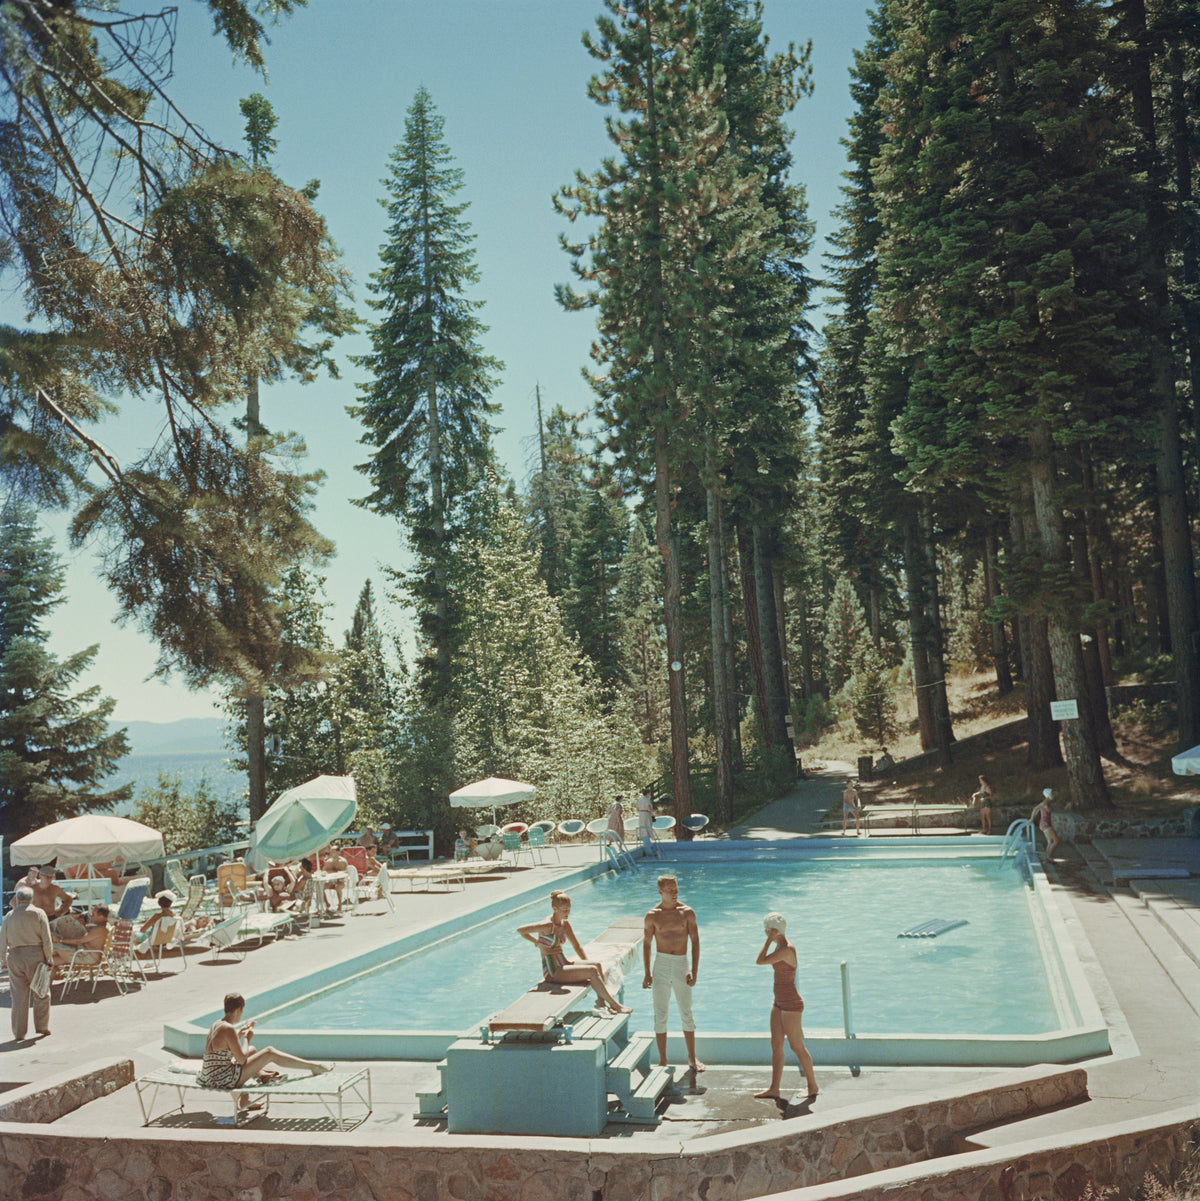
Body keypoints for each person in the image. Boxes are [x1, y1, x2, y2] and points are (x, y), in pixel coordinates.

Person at [195, 992, 331, 1112]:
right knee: (269, 1052)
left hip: (210, 1074)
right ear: (238, 1009)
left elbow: (224, 1049)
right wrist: (247, 1039)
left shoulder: (218, 1024)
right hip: (222, 1078)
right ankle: (314, 1067)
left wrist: (241, 1033)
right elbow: (241, 1059)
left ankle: (249, 1094)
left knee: (252, 1050)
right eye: (242, 1011)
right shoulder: (228, 1029)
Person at [517, 890, 632, 1015]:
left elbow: (577, 946)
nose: (567, 913)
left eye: (569, 909)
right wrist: (537, 943)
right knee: (592, 971)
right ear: (555, 908)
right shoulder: (546, 925)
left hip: (564, 964)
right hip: (553, 971)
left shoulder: (564, 924)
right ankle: (615, 1005)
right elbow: (521, 930)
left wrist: (585, 963)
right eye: (564, 910)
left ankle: (601, 1004)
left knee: (596, 966)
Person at [753, 912, 818, 1102]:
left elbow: (760, 961)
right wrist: (772, 939)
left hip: (791, 1004)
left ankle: (813, 1086)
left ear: (771, 931)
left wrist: (767, 941)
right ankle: (774, 1088)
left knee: (796, 1046)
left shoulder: (786, 949)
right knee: (776, 1045)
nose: (765, 933)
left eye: (766, 930)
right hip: (779, 1002)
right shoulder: (780, 946)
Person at [643, 874, 703, 1073]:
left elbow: (695, 942)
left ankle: (692, 1058)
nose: (674, 893)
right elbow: (647, 945)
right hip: (660, 964)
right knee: (660, 1013)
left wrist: (694, 970)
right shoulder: (652, 915)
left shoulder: (687, 913)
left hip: (680, 963)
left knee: (686, 1011)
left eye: (676, 888)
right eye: (670, 890)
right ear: (660, 892)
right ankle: (662, 1060)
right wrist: (646, 973)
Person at [1, 885, 53, 1039]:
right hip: (35, 955)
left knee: (18, 997)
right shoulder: (38, 913)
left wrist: (2, 959)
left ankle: (19, 1032)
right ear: (32, 899)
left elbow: (2, 940)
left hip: (15, 956)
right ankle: (42, 1027)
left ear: (17, 899)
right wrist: (49, 959)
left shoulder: (9, 916)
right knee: (41, 992)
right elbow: (46, 939)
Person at [1030, 788, 1061, 859]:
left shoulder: (1048, 802)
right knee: (1056, 841)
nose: (1053, 795)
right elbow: (1035, 809)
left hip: (1045, 823)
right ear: (1048, 794)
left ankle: (1048, 857)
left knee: (1050, 842)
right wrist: (1031, 819)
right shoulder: (1045, 802)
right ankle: (1049, 857)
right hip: (1045, 824)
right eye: (1052, 793)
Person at [321, 844, 348, 912]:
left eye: (333, 851)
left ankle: (340, 905)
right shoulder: (328, 862)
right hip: (331, 881)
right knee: (320, 887)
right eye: (331, 851)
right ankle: (327, 904)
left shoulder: (342, 861)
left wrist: (335, 873)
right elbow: (324, 871)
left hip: (341, 881)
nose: (331, 853)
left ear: (338, 852)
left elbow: (345, 873)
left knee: (337, 887)